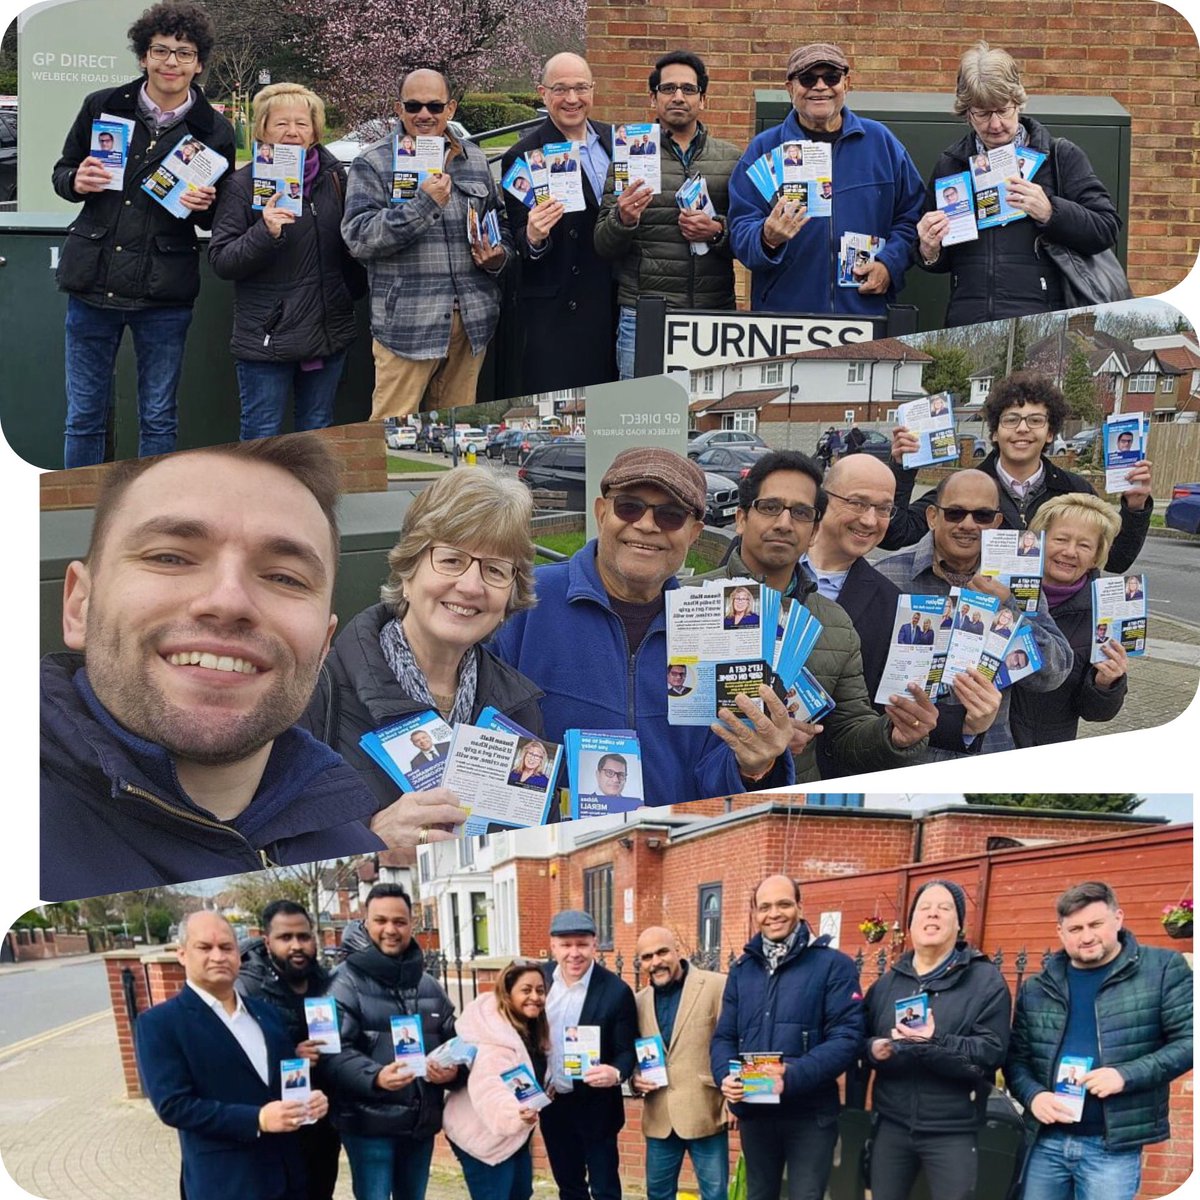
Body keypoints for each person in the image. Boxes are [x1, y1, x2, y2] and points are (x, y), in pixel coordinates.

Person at [40, 436, 385, 902]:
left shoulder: (356, 843)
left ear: (323, 645)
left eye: (284, 577)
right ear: (80, 606)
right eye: (170, 557)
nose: (228, 601)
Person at [492, 448, 796, 807]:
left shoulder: (717, 633)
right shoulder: (523, 601)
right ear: (602, 512)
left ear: (694, 533)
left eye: (670, 515)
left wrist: (754, 766)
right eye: (629, 507)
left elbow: (715, 777)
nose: (647, 525)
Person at [301, 468, 545, 855]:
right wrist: (371, 840)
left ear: (510, 596)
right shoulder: (316, 693)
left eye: (495, 570)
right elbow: (269, 845)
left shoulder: (520, 713)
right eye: (451, 560)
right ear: (408, 571)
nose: (470, 586)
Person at [52, 1, 236, 468]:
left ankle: (148, 513)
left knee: (158, 416)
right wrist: (76, 180)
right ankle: (80, 514)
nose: (171, 62)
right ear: (143, 56)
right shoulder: (102, 105)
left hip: (164, 293)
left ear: (199, 63)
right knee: (84, 416)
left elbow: (215, 217)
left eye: (184, 53)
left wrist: (206, 206)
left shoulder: (215, 131)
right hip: (93, 282)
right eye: (161, 50)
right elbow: (63, 172)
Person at [694, 450, 938, 781]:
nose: (783, 523)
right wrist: (760, 733)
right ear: (740, 518)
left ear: (813, 531)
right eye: (769, 508)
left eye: (800, 513)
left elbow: (848, 730)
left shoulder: (836, 624)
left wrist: (893, 735)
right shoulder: (688, 599)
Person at [1006, 882, 1193, 1200]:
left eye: (1095, 924)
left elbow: (1190, 1040)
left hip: (1111, 1146)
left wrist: (1125, 1075)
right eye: (1075, 928)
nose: (1087, 936)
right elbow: (1016, 1059)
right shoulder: (1038, 986)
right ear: (1061, 933)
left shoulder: (1161, 970)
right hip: (1045, 1141)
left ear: (1118, 918)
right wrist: (1034, 1096)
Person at [342, 68, 511, 420]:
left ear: (450, 109)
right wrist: (423, 205)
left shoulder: (475, 159)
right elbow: (358, 238)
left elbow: (501, 224)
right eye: (414, 105)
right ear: (399, 108)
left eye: (434, 106)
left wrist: (497, 256)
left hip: (471, 323)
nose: (424, 115)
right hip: (407, 325)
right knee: (389, 429)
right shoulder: (372, 163)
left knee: (454, 425)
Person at [916, 43, 1121, 327]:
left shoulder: (1060, 156)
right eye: (983, 113)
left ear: (1018, 102)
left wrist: (1051, 211)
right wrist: (929, 249)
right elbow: (942, 262)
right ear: (966, 112)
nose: (996, 124)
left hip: (1041, 323)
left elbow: (1107, 228)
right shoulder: (951, 164)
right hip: (968, 323)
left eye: (1003, 110)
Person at [873, 469, 1073, 758]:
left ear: (997, 522)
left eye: (981, 515)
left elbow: (1053, 675)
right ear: (932, 516)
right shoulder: (889, 575)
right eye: (955, 513)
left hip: (987, 750)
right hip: (904, 756)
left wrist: (1008, 609)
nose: (968, 524)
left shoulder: (1015, 581)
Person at [210, 83, 364, 440]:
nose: (292, 132)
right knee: (262, 438)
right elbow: (221, 260)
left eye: (301, 123)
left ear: (315, 131)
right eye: (281, 124)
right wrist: (265, 233)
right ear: (262, 129)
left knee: (316, 433)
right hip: (269, 337)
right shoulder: (241, 185)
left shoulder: (333, 177)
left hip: (327, 330)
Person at [135, 912, 326, 1200]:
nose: (218, 956)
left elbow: (286, 1083)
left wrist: (310, 1100)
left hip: (289, 1178)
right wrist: (257, 1119)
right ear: (182, 954)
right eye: (205, 947)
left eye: (226, 947)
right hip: (226, 1183)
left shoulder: (266, 1014)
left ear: (238, 954)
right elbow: (174, 1105)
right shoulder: (159, 1024)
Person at [882, 373, 1153, 573]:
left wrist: (1135, 508)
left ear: (1049, 433)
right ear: (995, 432)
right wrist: (903, 470)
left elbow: (1115, 560)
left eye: (1035, 420)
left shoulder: (1075, 491)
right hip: (983, 617)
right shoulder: (963, 489)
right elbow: (896, 534)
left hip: (1052, 626)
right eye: (1011, 419)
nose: (1022, 429)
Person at [727, 42, 923, 316]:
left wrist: (889, 264)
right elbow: (739, 230)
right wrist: (766, 239)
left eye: (831, 77)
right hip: (785, 318)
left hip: (864, 314)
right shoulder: (763, 150)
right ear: (790, 88)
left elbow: (912, 217)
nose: (820, 86)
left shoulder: (882, 144)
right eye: (807, 79)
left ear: (847, 83)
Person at [711, 876, 865, 1200]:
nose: (773, 913)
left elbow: (847, 1038)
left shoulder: (833, 965)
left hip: (809, 1115)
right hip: (756, 1112)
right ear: (755, 913)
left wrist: (792, 1075)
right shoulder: (743, 970)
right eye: (764, 906)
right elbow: (725, 1035)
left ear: (800, 906)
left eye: (783, 904)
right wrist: (725, 1076)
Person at [594, 51, 740, 378]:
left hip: (714, 315)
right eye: (668, 88)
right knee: (639, 418)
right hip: (645, 315)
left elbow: (747, 239)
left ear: (703, 99)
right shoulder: (630, 155)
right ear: (653, 97)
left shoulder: (731, 159)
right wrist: (624, 219)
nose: (678, 96)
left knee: (698, 410)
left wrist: (716, 232)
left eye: (688, 89)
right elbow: (603, 245)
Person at [863, 881, 1012, 1200]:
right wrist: (875, 1049)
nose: (933, 914)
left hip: (954, 1129)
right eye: (924, 908)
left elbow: (991, 1053)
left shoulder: (985, 982)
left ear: (958, 923)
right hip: (892, 1125)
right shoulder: (889, 983)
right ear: (911, 922)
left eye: (944, 908)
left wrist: (935, 1041)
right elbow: (860, 1040)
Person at [325, 885, 461, 1200]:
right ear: (365, 922)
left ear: (411, 924)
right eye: (381, 920)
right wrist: (375, 1077)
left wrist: (454, 1071)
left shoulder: (429, 985)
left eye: (399, 922)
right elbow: (332, 1052)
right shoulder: (341, 982)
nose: (390, 930)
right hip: (368, 1126)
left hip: (419, 1125)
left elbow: (454, 1042)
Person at [501, 53, 617, 395]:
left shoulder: (618, 142)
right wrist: (534, 236)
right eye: (560, 89)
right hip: (559, 310)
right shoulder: (522, 156)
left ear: (593, 90)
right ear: (542, 92)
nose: (572, 99)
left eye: (581, 88)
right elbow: (521, 240)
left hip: (613, 301)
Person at [237, 900, 342, 1200]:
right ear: (267, 941)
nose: (297, 945)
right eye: (286, 938)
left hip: (323, 1125)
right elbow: (237, 1061)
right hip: (277, 1129)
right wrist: (290, 1057)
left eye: (304, 936)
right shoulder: (248, 990)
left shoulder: (329, 985)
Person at [1008, 495, 1129, 747]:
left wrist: (1107, 684)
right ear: (1040, 541)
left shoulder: (1103, 614)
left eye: (1084, 545)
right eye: (1061, 539)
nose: (1070, 552)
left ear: (1097, 556)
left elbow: (1096, 713)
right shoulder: (999, 590)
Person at [540, 910, 638, 1200]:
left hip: (596, 1106)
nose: (574, 953)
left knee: (605, 1188)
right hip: (553, 1102)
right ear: (553, 945)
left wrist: (617, 1073)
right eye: (566, 944)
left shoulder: (616, 991)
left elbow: (626, 1049)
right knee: (569, 1186)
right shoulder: (539, 981)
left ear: (595, 944)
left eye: (582, 944)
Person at [632, 927, 729, 1200]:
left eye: (662, 952)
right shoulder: (638, 1002)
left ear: (677, 951)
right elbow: (632, 1054)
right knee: (658, 1194)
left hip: (706, 1112)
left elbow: (734, 1042)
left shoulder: (716, 986)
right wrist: (634, 1079)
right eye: (647, 956)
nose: (656, 961)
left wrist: (732, 1101)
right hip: (659, 1116)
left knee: (715, 1194)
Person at [443, 958, 551, 1200]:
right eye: (526, 990)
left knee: (521, 1193)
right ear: (507, 994)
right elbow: (490, 1090)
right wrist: (515, 1114)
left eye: (540, 990)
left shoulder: (530, 1029)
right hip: (485, 1137)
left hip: (515, 1136)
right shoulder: (495, 1042)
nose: (535, 996)